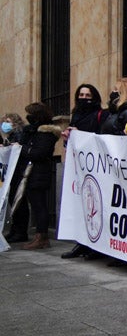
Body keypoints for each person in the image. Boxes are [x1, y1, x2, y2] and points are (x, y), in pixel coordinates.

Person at [60, 85, 106, 259]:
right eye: (81, 94)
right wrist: (69, 139)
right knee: (82, 205)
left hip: (96, 168)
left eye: (88, 95)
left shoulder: (101, 115)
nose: (84, 97)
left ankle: (95, 247)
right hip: (80, 168)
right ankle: (81, 243)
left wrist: (82, 135)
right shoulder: (76, 115)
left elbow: (101, 138)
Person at [14, 102, 62, 250]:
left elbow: (38, 153)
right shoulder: (31, 131)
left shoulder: (47, 133)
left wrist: (21, 148)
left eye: (31, 114)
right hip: (30, 173)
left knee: (39, 205)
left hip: (38, 173)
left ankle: (42, 237)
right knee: (35, 205)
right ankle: (39, 236)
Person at [3, 113, 28, 242]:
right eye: (5, 121)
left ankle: (20, 231)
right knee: (14, 200)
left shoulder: (20, 133)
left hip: (19, 171)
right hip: (14, 172)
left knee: (19, 202)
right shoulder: (11, 135)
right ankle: (15, 229)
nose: (5, 124)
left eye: (8, 121)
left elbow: (19, 149)